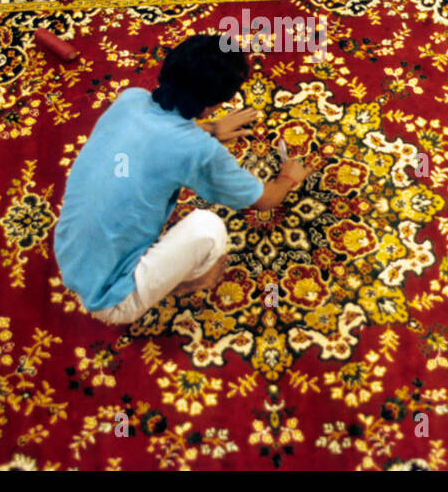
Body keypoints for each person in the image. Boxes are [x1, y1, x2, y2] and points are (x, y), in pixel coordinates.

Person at [50, 34, 311, 325]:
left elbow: (159, 137)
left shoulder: (130, 99)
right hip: (111, 299)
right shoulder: (199, 150)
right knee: (209, 227)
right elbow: (266, 201)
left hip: (68, 253)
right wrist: (289, 176)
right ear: (216, 101)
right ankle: (185, 284)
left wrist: (210, 128)